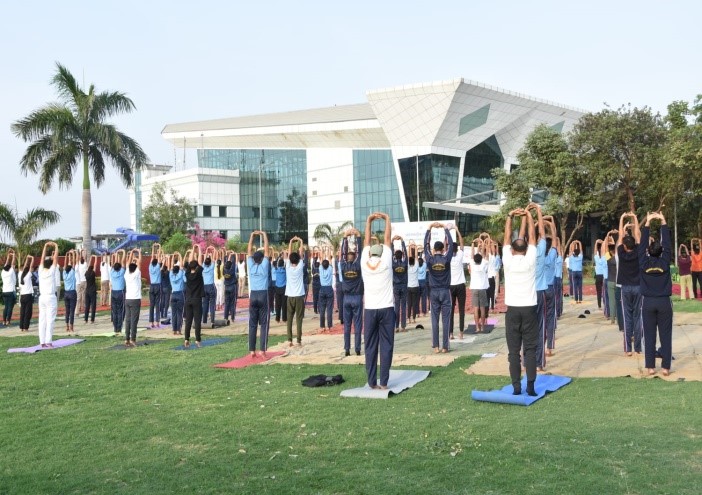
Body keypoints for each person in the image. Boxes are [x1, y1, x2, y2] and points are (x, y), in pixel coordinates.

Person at [502, 208, 538, 396]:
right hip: (529, 309)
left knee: (513, 352)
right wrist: (529, 216)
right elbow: (532, 236)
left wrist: (510, 216)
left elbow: (506, 237)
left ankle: (517, 387)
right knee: (530, 349)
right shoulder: (530, 260)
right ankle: (530, 386)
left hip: (513, 310)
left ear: (512, 249)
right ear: (525, 249)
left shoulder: (507, 260)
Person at [360, 212, 394, 389]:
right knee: (386, 345)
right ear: (381, 253)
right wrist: (387, 219)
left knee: (370, 346)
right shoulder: (386, 262)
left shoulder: (364, 263)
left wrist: (369, 220)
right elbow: (387, 239)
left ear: (370, 253)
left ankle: (372, 382)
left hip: (370, 309)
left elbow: (366, 241)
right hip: (386, 308)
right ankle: (384, 382)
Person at [639, 212, 673, 376]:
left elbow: (641, 246)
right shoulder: (665, 261)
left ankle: (651, 367)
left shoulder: (643, 262)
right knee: (666, 335)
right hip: (664, 302)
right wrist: (663, 222)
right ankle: (665, 367)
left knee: (649, 335)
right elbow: (667, 245)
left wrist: (647, 222)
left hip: (648, 302)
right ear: (661, 251)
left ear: (648, 251)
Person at [424, 222, 454, 353]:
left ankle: (436, 346)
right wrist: (446, 229)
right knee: (446, 320)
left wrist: (429, 229)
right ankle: (445, 347)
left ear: (433, 249)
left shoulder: (429, 259)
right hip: (445, 291)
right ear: (443, 249)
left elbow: (425, 244)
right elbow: (451, 244)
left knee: (434, 320)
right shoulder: (446, 258)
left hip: (434, 292)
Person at [617, 212, 643, 356]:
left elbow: (621, 236)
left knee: (627, 317)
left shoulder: (621, 252)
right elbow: (638, 235)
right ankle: (638, 348)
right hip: (638, 287)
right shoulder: (638, 251)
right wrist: (635, 218)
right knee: (637, 317)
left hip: (625, 288)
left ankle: (628, 349)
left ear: (625, 246)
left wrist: (622, 219)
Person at [340, 229, 364, 355]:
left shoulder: (343, 266)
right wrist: (358, 236)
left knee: (347, 325)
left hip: (346, 298)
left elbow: (342, 253)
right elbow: (360, 253)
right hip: (357, 297)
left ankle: (347, 349)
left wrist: (345, 237)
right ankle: (358, 349)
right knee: (358, 324)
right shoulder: (358, 265)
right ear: (354, 257)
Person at [247, 231, 271, 356]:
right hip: (263, 294)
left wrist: (252, 236)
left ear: (253, 259)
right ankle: (262, 350)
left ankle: (252, 350)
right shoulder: (264, 265)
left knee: (252, 324)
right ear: (262, 259)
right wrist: (264, 235)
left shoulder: (250, 266)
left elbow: (249, 250)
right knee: (264, 324)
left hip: (253, 295)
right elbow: (267, 249)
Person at [285, 237, 306, 346]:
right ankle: (298, 340)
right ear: (298, 260)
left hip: (290, 296)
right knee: (299, 319)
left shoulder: (288, 267)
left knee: (289, 318)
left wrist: (291, 241)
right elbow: (301, 253)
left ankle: (289, 340)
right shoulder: (300, 267)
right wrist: (301, 241)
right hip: (299, 296)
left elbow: (289, 254)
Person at [38, 243, 59, 347]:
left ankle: (42, 342)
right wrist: (55, 246)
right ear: (50, 265)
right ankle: (48, 341)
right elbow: (55, 259)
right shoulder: (51, 271)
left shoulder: (40, 271)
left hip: (42, 297)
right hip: (50, 297)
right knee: (50, 320)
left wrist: (45, 246)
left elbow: (42, 259)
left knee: (42, 320)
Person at [184, 246, 205, 347]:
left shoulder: (187, 274)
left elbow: (190, 261)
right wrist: (199, 249)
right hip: (197, 299)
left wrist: (193, 249)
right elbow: (199, 261)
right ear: (196, 267)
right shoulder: (198, 273)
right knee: (197, 321)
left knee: (188, 321)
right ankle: (197, 340)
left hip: (188, 300)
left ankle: (186, 339)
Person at [448, 228, 467, 339]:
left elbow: (444, 245)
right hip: (460, 285)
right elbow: (462, 243)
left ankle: (450, 333)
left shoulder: (448, 257)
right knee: (461, 310)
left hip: (451, 286)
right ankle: (461, 333)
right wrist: (457, 230)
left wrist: (447, 232)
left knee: (450, 310)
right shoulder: (460, 255)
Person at [468, 239, 489, 335]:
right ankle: (483, 327)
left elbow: (472, 255)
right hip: (482, 289)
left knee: (476, 309)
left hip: (474, 289)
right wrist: (483, 244)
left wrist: (473, 243)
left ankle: (477, 327)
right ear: (481, 259)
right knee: (482, 308)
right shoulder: (483, 264)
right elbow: (486, 255)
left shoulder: (472, 264)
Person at [124, 249, 143, 347]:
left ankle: (127, 339)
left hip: (127, 299)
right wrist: (138, 252)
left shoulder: (126, 274)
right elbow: (139, 262)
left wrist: (131, 253)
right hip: (135, 299)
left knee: (128, 319)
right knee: (134, 320)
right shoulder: (136, 274)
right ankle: (133, 339)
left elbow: (128, 263)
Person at [392, 235, 409, 333]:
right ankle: (403, 326)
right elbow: (406, 254)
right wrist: (402, 242)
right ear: (402, 256)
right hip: (403, 286)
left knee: (396, 307)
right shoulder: (405, 263)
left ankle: (396, 326)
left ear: (395, 256)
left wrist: (392, 242)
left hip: (396, 286)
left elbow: (391, 255)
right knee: (403, 306)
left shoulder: (393, 264)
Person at [109, 250, 127, 336]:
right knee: (120, 311)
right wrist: (123, 252)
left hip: (113, 293)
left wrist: (116, 255)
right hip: (120, 293)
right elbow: (123, 262)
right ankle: (119, 328)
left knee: (114, 311)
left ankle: (115, 328)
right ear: (120, 268)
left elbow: (114, 264)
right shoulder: (121, 272)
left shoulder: (112, 272)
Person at [317, 247, 335, 332]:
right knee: (329, 309)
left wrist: (322, 251)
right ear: (328, 265)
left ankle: (322, 326)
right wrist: (329, 250)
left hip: (322, 289)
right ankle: (329, 326)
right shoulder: (330, 268)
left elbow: (321, 259)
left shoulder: (320, 268)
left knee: (322, 309)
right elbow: (329, 260)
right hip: (329, 289)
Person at [168, 253, 185, 336]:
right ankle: (178, 330)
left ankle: (174, 330)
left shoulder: (171, 275)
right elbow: (181, 266)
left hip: (173, 294)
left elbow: (171, 267)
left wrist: (172, 257)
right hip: (180, 294)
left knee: (173, 313)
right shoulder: (180, 274)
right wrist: (179, 255)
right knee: (179, 313)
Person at [62, 250, 77, 334]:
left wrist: (66, 255)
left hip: (66, 293)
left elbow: (65, 265)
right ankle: (71, 326)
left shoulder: (64, 274)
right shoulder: (72, 272)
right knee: (72, 311)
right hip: (72, 293)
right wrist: (73, 254)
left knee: (67, 310)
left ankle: (67, 326)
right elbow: (73, 263)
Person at [201, 247, 217, 327]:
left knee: (205, 304)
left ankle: (204, 320)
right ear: (210, 263)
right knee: (212, 304)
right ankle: (212, 320)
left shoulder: (203, 267)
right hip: (210, 286)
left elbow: (205, 259)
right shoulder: (211, 267)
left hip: (204, 287)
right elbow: (213, 259)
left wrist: (207, 250)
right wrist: (213, 249)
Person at [1, 249, 18, 327]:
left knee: (6, 307)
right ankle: (8, 321)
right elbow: (13, 263)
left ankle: (4, 321)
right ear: (10, 268)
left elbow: (7, 263)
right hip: (11, 291)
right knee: (10, 307)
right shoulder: (11, 271)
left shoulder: (3, 272)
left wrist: (9, 255)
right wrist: (13, 255)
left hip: (4, 291)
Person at [18, 255, 34, 332]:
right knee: (28, 312)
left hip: (22, 296)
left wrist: (27, 259)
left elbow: (25, 267)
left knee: (22, 312)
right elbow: (30, 267)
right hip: (28, 295)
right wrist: (32, 258)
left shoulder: (20, 274)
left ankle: (21, 327)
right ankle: (25, 327)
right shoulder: (28, 275)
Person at [148, 245, 162, 328]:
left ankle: (151, 322)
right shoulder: (157, 267)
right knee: (157, 305)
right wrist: (159, 247)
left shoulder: (150, 267)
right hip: (157, 286)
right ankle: (157, 322)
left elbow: (152, 256)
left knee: (151, 305)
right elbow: (158, 256)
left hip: (151, 286)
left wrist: (153, 247)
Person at [222, 252, 238, 324]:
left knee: (227, 303)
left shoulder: (224, 270)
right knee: (232, 303)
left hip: (226, 287)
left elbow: (226, 263)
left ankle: (225, 317)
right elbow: (234, 262)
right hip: (232, 287)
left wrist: (229, 256)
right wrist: (233, 255)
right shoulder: (232, 270)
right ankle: (232, 318)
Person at [406, 242, 419, 324]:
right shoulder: (416, 266)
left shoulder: (407, 267)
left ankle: (409, 318)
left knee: (409, 303)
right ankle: (414, 318)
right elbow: (416, 256)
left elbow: (409, 257)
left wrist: (409, 247)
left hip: (409, 287)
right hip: (415, 287)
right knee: (414, 303)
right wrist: (416, 247)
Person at [84, 255, 98, 324]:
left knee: (87, 306)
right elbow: (95, 265)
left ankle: (86, 319)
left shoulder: (86, 273)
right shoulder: (93, 273)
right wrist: (95, 258)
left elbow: (89, 266)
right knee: (93, 306)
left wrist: (91, 258)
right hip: (92, 291)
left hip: (87, 291)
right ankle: (92, 319)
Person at [273, 256, 287, 323]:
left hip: (277, 288)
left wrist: (278, 257)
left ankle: (277, 318)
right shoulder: (285, 270)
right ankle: (284, 319)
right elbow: (286, 265)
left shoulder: (276, 269)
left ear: (278, 264)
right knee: (284, 304)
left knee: (278, 305)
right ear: (283, 264)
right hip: (284, 288)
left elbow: (275, 263)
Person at [159, 253, 171, 319]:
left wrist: (164, 260)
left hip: (162, 288)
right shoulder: (167, 273)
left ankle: (161, 314)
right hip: (167, 288)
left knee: (162, 301)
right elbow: (169, 266)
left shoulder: (161, 273)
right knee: (166, 301)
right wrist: (168, 258)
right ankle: (165, 314)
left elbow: (161, 268)